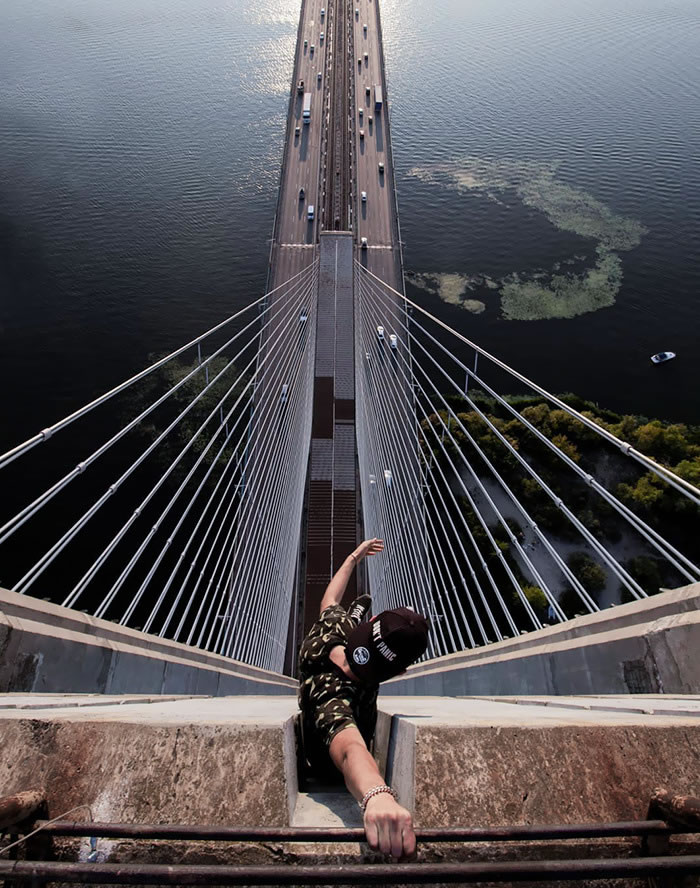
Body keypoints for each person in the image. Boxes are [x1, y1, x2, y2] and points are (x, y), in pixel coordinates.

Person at [297, 538, 430, 860]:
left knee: (337, 611)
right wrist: (377, 795)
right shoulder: (330, 693)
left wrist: (353, 557)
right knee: (354, 722)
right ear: (399, 672)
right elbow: (349, 746)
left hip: (331, 645)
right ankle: (367, 627)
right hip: (324, 763)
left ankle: (358, 612)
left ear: (368, 626)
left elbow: (329, 598)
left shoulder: (333, 627)